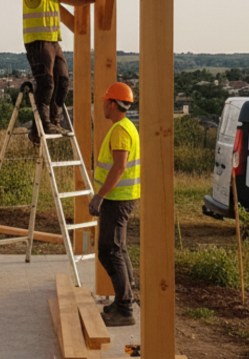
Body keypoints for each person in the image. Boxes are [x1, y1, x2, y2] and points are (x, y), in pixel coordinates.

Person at [23, 0, 95, 144]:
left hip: (53, 42)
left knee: (62, 81)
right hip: (38, 42)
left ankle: (49, 121)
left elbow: (77, 1)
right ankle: (43, 123)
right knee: (46, 82)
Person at [88, 82, 140, 327]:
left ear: (112, 104)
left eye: (105, 102)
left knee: (111, 251)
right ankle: (124, 299)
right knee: (115, 249)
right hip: (120, 198)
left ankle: (125, 308)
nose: (102, 106)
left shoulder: (120, 130)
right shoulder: (126, 127)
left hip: (117, 199)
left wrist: (99, 195)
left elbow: (119, 167)